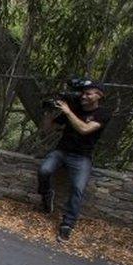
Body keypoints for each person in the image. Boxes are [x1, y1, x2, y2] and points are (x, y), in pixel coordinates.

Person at [37, 80, 112, 243]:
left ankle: (67, 225)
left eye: (88, 93)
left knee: (78, 188)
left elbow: (84, 129)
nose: (84, 96)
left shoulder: (102, 114)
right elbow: (47, 129)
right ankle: (46, 195)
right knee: (44, 170)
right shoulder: (74, 108)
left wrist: (68, 111)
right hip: (61, 151)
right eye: (83, 93)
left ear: (99, 95)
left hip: (82, 157)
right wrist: (48, 112)